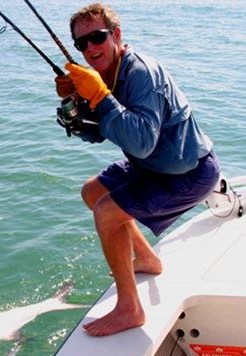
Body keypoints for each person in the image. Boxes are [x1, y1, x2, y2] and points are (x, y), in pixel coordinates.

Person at [55, 3, 220, 337]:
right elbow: (99, 132)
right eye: (81, 44)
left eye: (97, 37)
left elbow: (142, 140)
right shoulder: (103, 75)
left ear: (116, 35)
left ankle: (130, 308)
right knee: (93, 191)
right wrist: (76, 108)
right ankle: (146, 258)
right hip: (152, 166)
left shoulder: (141, 73)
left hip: (188, 171)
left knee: (107, 212)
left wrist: (100, 95)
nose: (90, 48)